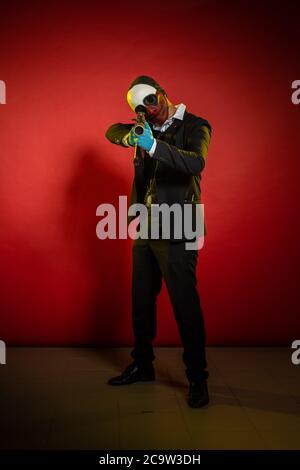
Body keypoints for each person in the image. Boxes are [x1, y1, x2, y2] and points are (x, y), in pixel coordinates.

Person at [105, 75, 212, 407]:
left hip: (180, 225)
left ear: (163, 94)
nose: (147, 109)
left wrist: (153, 145)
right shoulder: (142, 125)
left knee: (184, 306)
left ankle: (197, 378)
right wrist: (130, 138)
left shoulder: (196, 125)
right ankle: (143, 364)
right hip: (147, 225)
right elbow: (111, 130)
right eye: (140, 107)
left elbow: (196, 162)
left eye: (150, 101)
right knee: (141, 301)